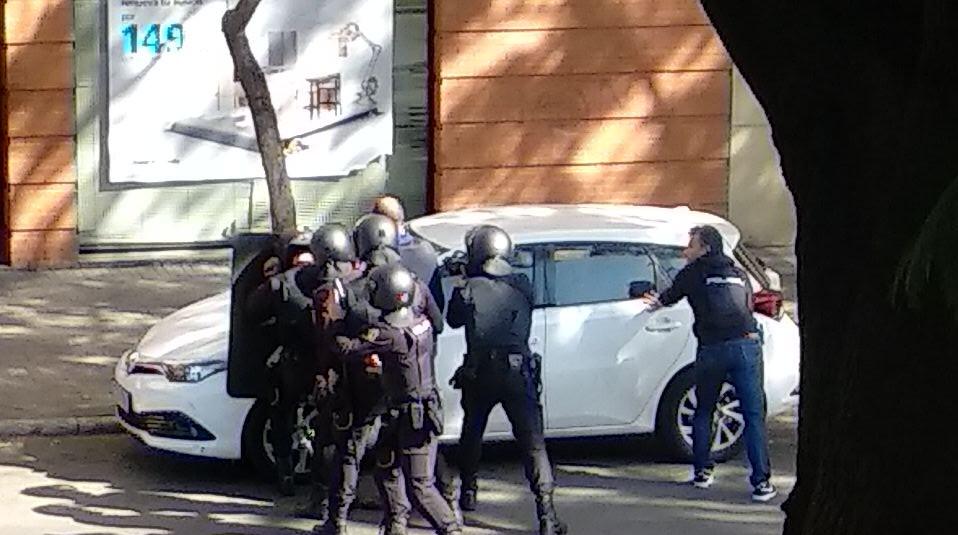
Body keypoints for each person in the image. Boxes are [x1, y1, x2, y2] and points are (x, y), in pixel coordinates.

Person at [322, 213, 446, 534]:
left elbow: (339, 344)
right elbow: (438, 324)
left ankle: (338, 521)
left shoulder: (349, 288)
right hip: (406, 383)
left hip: (364, 384)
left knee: (352, 452)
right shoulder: (414, 284)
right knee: (406, 460)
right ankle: (405, 519)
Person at [642, 225, 777, 502]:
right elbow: (748, 306)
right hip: (746, 344)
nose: (685, 251)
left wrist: (653, 302)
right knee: (753, 416)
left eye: (690, 245)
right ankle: (762, 483)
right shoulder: (739, 273)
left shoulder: (693, 273)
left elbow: (666, 299)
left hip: (713, 349)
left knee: (704, 410)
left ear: (704, 249)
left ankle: (703, 472)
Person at [446, 225, 566, 535]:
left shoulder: (469, 287)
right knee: (533, 445)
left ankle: (468, 492)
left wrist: (463, 278)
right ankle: (547, 515)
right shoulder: (523, 285)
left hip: (480, 372)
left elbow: (454, 318)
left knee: (472, 433)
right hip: (517, 371)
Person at [333, 264, 462, 535]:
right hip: (408, 410)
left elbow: (348, 349)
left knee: (420, 486)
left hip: (413, 415)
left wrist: (339, 319)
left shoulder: (387, 335)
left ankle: (451, 529)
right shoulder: (420, 322)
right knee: (386, 465)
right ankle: (395, 526)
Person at [296, 223, 365, 522]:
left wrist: (322, 377)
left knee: (327, 442)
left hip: (337, 377)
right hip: (363, 376)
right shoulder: (362, 279)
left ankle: (324, 505)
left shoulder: (327, 292)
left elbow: (325, 337)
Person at [245, 235, 320, 497]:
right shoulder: (335, 280)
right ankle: (309, 479)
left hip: (296, 363)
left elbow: (252, 309)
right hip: (318, 364)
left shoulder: (282, 284)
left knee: (282, 417)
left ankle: (287, 473)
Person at [372, 195, 444, 306]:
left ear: (378, 224)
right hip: (425, 318)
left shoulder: (379, 256)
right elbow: (438, 300)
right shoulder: (426, 249)